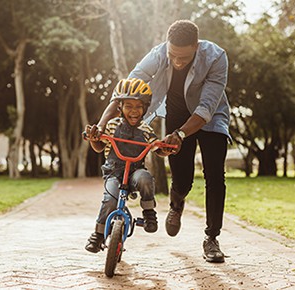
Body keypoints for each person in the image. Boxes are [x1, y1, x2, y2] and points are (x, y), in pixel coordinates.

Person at [91, 20, 231, 263]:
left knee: (215, 176)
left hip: (210, 118)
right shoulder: (158, 54)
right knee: (182, 179)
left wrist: (181, 135)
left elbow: (206, 107)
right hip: (177, 115)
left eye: (183, 58)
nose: (177, 61)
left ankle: (212, 238)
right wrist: (102, 124)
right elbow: (127, 89)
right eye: (173, 55)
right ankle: (177, 204)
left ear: (196, 47)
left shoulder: (216, 57)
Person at [84, 78, 172, 253]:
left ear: (145, 108)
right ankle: (98, 235)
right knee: (110, 200)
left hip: (135, 173)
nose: (134, 111)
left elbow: (157, 148)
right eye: (128, 106)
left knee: (145, 178)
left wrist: (166, 149)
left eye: (138, 106)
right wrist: (94, 139)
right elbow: (99, 146)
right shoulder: (111, 125)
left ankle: (148, 213)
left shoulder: (146, 130)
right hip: (113, 173)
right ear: (120, 108)